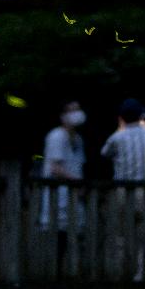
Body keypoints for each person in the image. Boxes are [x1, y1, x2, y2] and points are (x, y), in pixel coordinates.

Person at [100, 98, 145, 281]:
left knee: (120, 234)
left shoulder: (117, 137)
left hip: (123, 192)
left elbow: (104, 153)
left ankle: (119, 271)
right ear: (142, 115)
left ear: (121, 118)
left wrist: (120, 128)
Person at [39, 100, 86, 234]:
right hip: (58, 196)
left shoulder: (78, 139)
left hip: (75, 199)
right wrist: (77, 182)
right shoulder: (56, 136)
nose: (77, 114)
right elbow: (55, 167)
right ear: (63, 116)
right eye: (72, 111)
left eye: (78, 110)